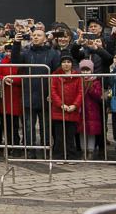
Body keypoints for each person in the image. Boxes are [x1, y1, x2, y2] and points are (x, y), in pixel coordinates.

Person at [10, 27, 60, 156]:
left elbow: (56, 74)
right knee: (28, 126)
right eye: (34, 35)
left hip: (46, 95)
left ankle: (45, 150)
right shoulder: (26, 52)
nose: (35, 37)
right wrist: (16, 44)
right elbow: (15, 62)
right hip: (29, 95)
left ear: (44, 38)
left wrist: (53, 93)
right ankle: (30, 150)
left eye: (39, 35)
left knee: (46, 126)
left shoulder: (53, 53)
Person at [48, 56, 81, 159]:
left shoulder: (77, 76)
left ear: (72, 64)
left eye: (68, 62)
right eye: (64, 62)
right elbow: (53, 91)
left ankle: (71, 155)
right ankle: (59, 156)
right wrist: (61, 104)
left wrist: (75, 105)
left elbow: (80, 92)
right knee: (59, 136)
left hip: (72, 109)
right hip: (59, 109)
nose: (66, 64)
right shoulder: (55, 76)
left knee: (70, 135)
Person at [77, 59, 104, 156]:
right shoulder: (78, 81)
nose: (85, 73)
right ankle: (83, 150)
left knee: (91, 132)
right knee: (81, 131)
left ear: (91, 71)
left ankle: (91, 150)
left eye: (87, 70)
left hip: (92, 110)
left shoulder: (95, 82)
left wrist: (90, 88)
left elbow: (98, 95)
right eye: (83, 70)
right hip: (81, 110)